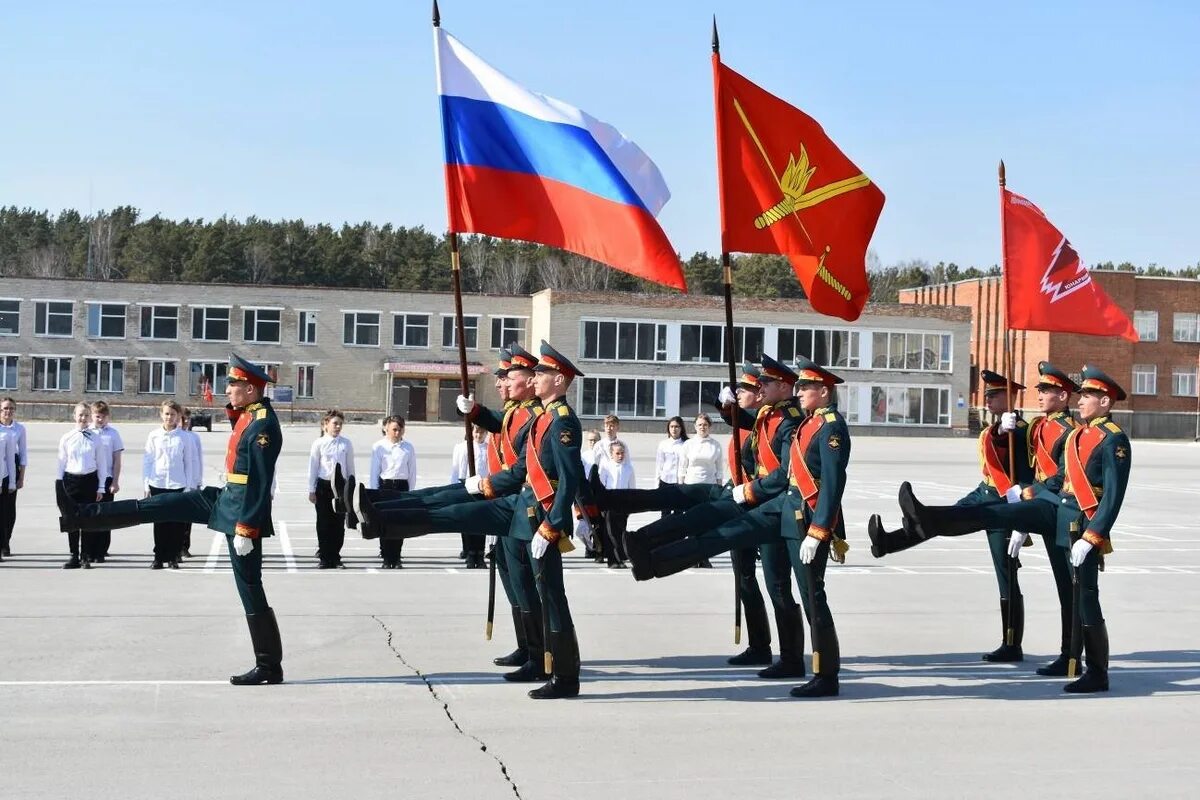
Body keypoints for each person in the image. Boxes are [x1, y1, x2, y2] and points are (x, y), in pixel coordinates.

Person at [358, 341, 595, 699]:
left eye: (542, 374)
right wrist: (484, 483)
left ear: (559, 380)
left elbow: (569, 479)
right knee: (456, 514)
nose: (536, 378)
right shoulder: (544, 418)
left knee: (552, 596)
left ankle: (565, 677)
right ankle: (379, 515)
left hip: (539, 516)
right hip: (523, 508)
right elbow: (520, 470)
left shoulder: (561, 422)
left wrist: (553, 525)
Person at [877, 365, 1129, 693]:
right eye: (1082, 395)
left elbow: (1112, 495)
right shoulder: (1079, 434)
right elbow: (1055, 480)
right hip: (1054, 508)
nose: (1083, 401)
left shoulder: (1113, 440)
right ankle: (930, 519)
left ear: (1106, 402)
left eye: (1090, 396)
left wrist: (1093, 535)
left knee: (1082, 596)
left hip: (1079, 523)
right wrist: (1024, 499)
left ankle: (1094, 670)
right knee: (992, 514)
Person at [625, 357, 851, 698]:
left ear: (823, 390)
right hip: (783, 509)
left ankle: (826, 675)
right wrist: (725, 403)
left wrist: (820, 531)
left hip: (807, 519)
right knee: (734, 541)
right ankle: (655, 561)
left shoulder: (829, 426)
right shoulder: (809, 422)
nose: (802, 391)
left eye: (806, 387)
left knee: (812, 599)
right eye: (800, 386)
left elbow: (832, 484)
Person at [56, 354, 286, 685]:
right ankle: (83, 515)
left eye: (233, 385)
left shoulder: (263, 424)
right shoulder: (252, 415)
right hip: (225, 500)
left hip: (240, 515)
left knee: (249, 587)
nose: (228, 389)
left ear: (249, 389)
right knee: (164, 503)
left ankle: (268, 666)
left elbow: (260, 483)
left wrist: (247, 529)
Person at [871, 369, 1034, 664]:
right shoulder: (1000, 426)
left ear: (1010, 397)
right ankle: (888, 542)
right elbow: (994, 445)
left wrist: (1022, 520)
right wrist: (999, 430)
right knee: (936, 522)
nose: (988, 400)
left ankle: (1012, 644)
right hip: (984, 492)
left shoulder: (1019, 430)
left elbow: (1027, 473)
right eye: (987, 396)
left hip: (1004, 503)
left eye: (994, 395)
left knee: (1006, 575)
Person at [144, 400, 197, 570]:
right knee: (159, 523)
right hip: (157, 483)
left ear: (178, 417)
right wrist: (146, 483)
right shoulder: (154, 435)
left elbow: (189, 462)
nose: (169, 417)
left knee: (176, 524)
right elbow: (148, 460)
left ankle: (174, 556)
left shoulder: (185, 438)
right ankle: (159, 556)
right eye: (166, 414)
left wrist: (189, 486)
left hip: (177, 484)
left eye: (173, 414)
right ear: (161, 415)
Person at [57, 401, 109, 569]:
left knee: (87, 520)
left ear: (90, 417)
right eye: (80, 415)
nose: (83, 418)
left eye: (86, 415)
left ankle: (86, 555)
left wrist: (101, 487)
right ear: (74, 416)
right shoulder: (66, 437)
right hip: (71, 481)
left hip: (89, 481)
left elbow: (102, 464)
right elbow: (61, 462)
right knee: (71, 520)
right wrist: (59, 485)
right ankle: (74, 555)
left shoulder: (96, 438)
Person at [307, 410, 356, 569]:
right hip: (323, 486)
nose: (338, 426)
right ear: (325, 425)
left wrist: (352, 488)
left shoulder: (346, 444)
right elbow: (313, 467)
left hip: (340, 488)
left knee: (338, 522)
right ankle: (324, 556)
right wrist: (311, 489)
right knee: (323, 522)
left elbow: (350, 468)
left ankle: (335, 556)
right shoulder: (319, 443)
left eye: (340, 424)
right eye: (335, 423)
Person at [368, 415, 417, 568]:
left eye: (400, 429)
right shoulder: (379, 447)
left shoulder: (408, 448)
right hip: (385, 486)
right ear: (386, 429)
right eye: (394, 429)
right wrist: (374, 493)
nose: (397, 433)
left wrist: (410, 492)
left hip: (402, 487)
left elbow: (412, 472)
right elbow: (374, 471)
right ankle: (387, 557)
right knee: (385, 522)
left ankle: (396, 557)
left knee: (400, 523)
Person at [88, 401, 124, 563]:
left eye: (103, 417)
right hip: (89, 478)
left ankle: (101, 550)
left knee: (105, 515)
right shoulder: (86, 432)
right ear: (92, 416)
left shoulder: (113, 434)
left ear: (108, 417)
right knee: (90, 515)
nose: (100, 420)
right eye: (97, 416)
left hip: (107, 478)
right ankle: (89, 550)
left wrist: (115, 481)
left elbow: (117, 460)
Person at [450, 424, 489, 568]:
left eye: (482, 433)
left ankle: (480, 553)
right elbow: (456, 470)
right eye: (476, 432)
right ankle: (470, 553)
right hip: (466, 485)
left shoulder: (488, 448)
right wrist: (455, 489)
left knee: (482, 523)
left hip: (483, 487)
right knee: (468, 521)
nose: (479, 436)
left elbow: (490, 469)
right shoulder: (463, 447)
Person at [598, 439, 635, 568]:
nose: (620, 456)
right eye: (617, 453)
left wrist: (631, 505)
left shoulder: (629, 468)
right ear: (611, 454)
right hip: (610, 501)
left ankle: (620, 558)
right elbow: (601, 485)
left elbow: (632, 487)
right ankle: (612, 560)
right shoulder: (606, 466)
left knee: (621, 532)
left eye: (622, 453)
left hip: (623, 503)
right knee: (610, 533)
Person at [0, 397, 28, 557]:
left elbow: (23, 454)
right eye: (5, 408)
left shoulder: (19, 429)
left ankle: (6, 542)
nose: (8, 411)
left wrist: (20, 477)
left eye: (11, 408)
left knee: (9, 509)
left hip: (12, 467)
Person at [178, 408, 205, 559]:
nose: (186, 422)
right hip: (178, 482)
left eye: (188, 419)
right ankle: (174, 547)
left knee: (188, 518)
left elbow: (198, 461)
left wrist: (198, 480)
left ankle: (184, 546)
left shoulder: (194, 437)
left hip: (192, 483)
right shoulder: (177, 436)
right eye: (183, 419)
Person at [655, 417, 687, 517]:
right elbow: (659, 465)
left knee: (679, 513)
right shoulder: (663, 444)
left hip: (680, 483)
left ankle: (679, 533)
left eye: (677, 426)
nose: (674, 429)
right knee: (665, 513)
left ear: (681, 428)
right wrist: (657, 483)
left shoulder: (686, 444)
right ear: (668, 428)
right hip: (665, 481)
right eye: (672, 426)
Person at [0, 419, 15, 563]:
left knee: (2, 516)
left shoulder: (6, 433)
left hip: (2, 478)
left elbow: (10, 459)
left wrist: (12, 482)